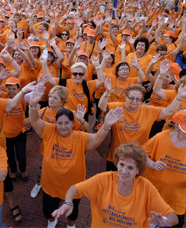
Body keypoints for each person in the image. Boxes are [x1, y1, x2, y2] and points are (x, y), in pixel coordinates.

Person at [28, 82, 124, 228]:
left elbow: (96, 140)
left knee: (72, 214)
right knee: (48, 212)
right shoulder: (49, 131)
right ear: (56, 123)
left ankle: (71, 225)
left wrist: (106, 126)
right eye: (60, 123)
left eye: (67, 123)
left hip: (73, 188)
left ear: (73, 124)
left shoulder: (80, 137)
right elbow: (34, 120)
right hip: (50, 184)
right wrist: (33, 104)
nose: (63, 127)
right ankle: (52, 221)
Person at [52, 143, 179, 228]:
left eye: (130, 167)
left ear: (138, 170)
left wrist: (164, 221)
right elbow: (74, 189)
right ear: (117, 163)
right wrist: (68, 203)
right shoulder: (103, 180)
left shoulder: (146, 188)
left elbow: (173, 217)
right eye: (122, 164)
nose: (124, 171)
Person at [98, 81, 186, 171]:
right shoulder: (117, 107)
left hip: (138, 157)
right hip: (117, 156)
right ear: (126, 97)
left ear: (142, 99)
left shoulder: (148, 110)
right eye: (131, 98)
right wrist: (107, 91)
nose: (134, 101)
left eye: (138, 99)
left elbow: (169, 111)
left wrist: (179, 96)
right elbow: (102, 106)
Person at [143, 110, 186, 227]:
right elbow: (141, 155)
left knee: (175, 224)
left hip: (177, 200)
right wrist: (152, 164)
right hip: (154, 196)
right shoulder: (160, 138)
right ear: (177, 127)